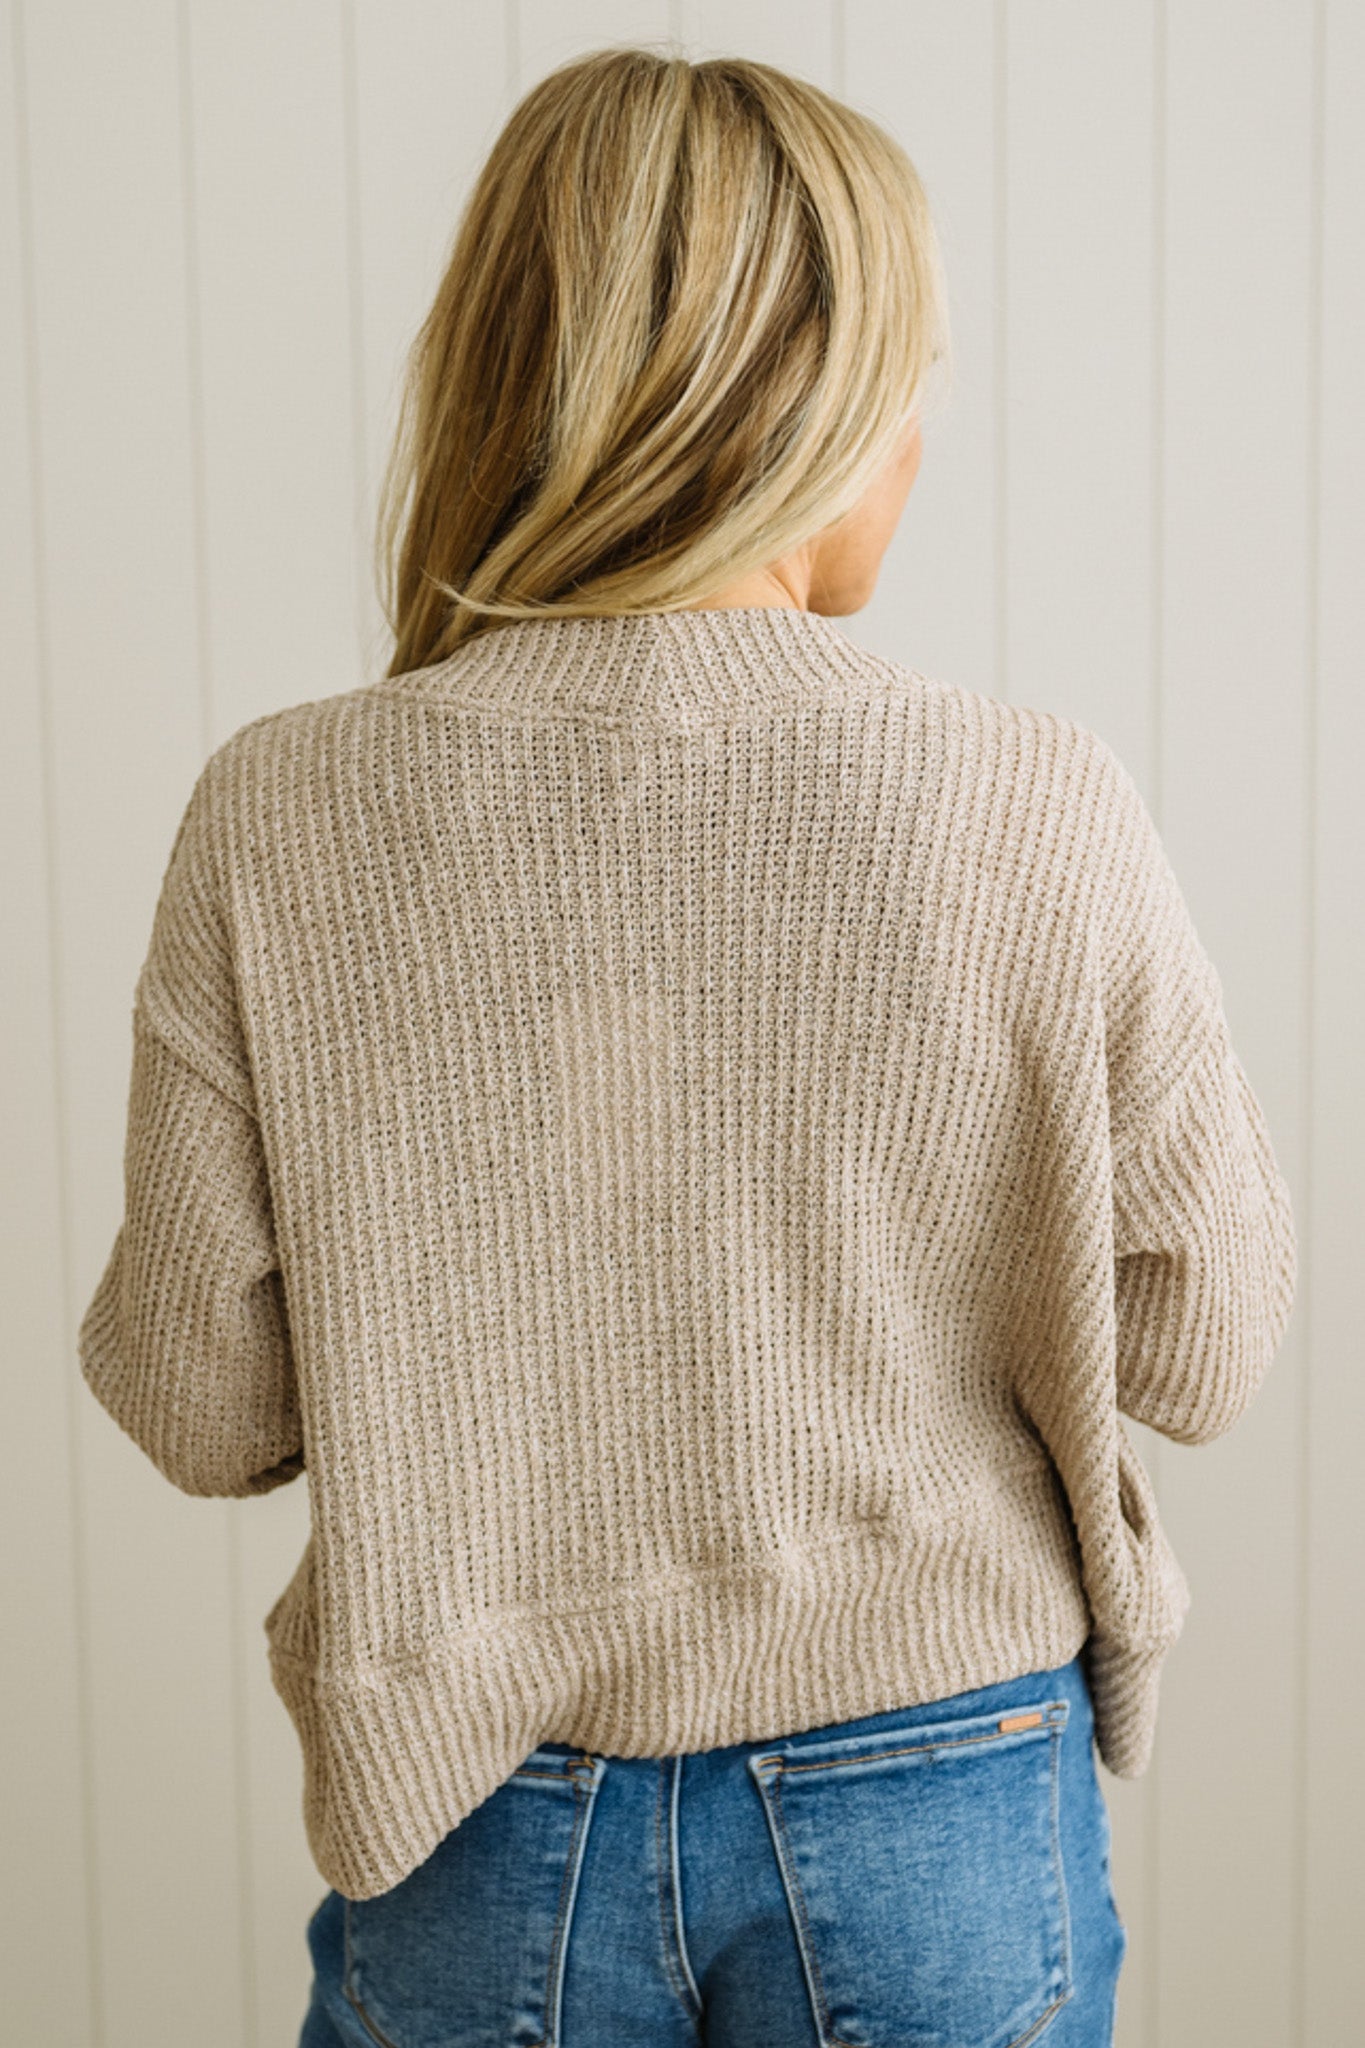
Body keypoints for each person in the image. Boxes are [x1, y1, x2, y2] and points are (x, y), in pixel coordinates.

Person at [78, 43, 1297, 2048]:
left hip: (475, 1804)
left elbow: (197, 1398)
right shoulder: (1027, 802)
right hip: (938, 1793)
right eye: (912, 377)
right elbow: (1207, 1340)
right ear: (819, 413)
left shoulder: (279, 815)